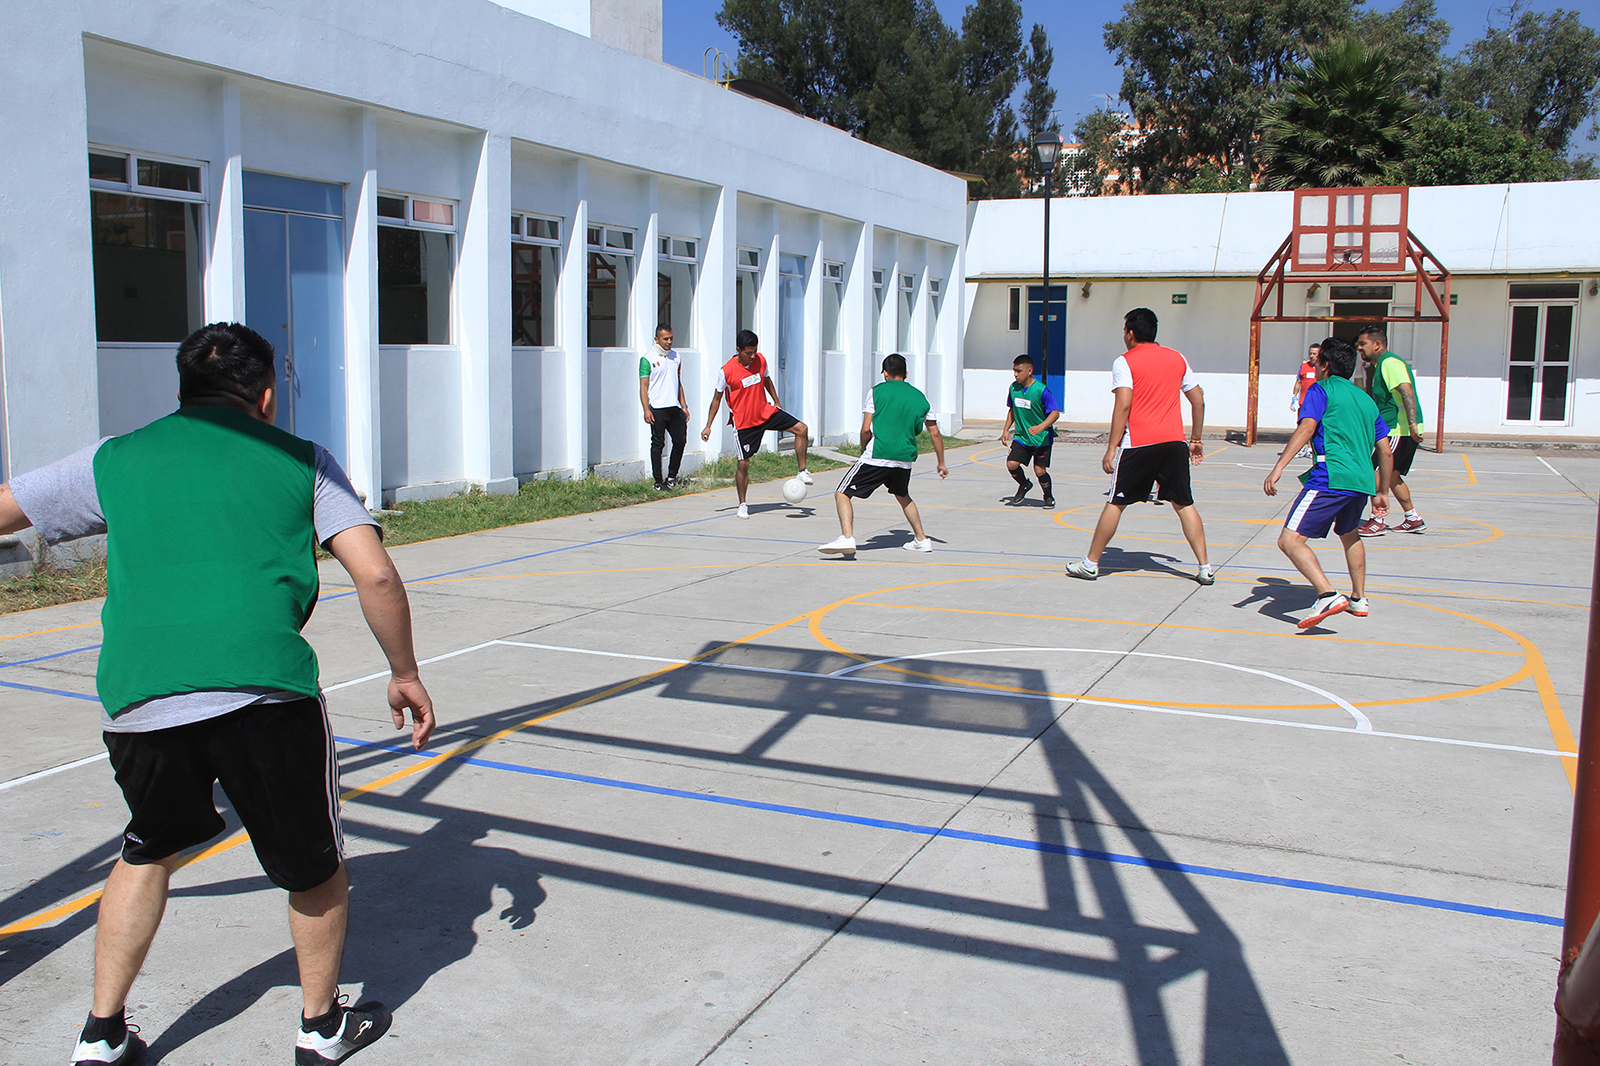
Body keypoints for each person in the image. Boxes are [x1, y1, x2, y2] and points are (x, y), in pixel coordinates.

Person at [0, 323, 436, 1066]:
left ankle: (102, 1035)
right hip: (263, 691)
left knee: (148, 851)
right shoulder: (301, 460)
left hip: (142, 693)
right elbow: (378, 576)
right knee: (314, 865)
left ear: (182, 390)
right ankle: (321, 1027)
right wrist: (404, 670)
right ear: (266, 396)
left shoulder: (116, 458)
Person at [1066, 308, 1214, 585]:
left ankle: (1090, 564)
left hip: (1140, 444)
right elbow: (1198, 401)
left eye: (1124, 330)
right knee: (1184, 504)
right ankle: (1205, 567)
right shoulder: (1177, 358)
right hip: (1174, 443)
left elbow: (1123, 404)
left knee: (1116, 502)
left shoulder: (1124, 361)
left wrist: (1111, 447)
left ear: (1131, 333)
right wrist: (1195, 439)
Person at [1263, 337, 1395, 629]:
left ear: (1323, 365)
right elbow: (1385, 450)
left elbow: (1307, 427)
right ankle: (1358, 598)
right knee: (1349, 534)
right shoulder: (1365, 399)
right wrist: (1382, 490)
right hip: (1361, 480)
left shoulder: (1320, 390)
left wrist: (1279, 466)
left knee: (1289, 540)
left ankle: (1327, 594)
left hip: (1330, 475)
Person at [819, 354, 947, 555]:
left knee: (842, 493)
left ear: (885, 373)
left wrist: (864, 448)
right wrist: (941, 462)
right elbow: (935, 433)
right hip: (904, 457)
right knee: (902, 495)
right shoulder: (920, 397)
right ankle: (922, 540)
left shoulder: (876, 392)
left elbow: (865, 429)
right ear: (906, 373)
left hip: (878, 453)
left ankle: (846, 537)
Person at [699, 329, 812, 519]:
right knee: (743, 463)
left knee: (802, 429)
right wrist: (708, 425)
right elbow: (717, 399)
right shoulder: (726, 371)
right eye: (748, 353)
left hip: (765, 412)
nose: (752, 356)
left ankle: (802, 471)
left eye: (754, 351)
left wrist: (776, 400)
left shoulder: (760, 360)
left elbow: (766, 380)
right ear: (738, 350)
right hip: (744, 423)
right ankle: (742, 504)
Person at [1354, 325, 1425, 536]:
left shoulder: (1389, 363)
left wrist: (1412, 424)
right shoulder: (1377, 367)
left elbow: (1406, 391)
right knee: (1393, 476)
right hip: (1398, 429)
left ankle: (1377, 519)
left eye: (1363, 344)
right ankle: (1413, 518)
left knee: (1375, 474)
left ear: (1377, 344)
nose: (1359, 348)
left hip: (1397, 429)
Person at [998, 354, 1061, 508]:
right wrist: (1006, 429)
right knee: (1012, 464)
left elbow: (1055, 413)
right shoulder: (1013, 388)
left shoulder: (1041, 390)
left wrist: (1041, 426)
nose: (1015, 374)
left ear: (1030, 371)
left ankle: (1048, 496)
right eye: (1014, 370)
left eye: (1019, 371)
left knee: (1040, 471)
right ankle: (1024, 484)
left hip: (1041, 438)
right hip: (1022, 437)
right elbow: (1012, 410)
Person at [640, 324, 689, 490]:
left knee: (680, 441)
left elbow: (678, 383)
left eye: (671, 338)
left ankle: (672, 476)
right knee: (658, 444)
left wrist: (684, 405)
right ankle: (658, 481)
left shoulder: (676, 357)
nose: (669, 342)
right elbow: (643, 387)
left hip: (674, 407)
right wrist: (646, 409)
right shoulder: (647, 359)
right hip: (657, 408)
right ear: (657, 339)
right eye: (665, 339)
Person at [1292, 343, 1320, 459]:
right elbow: (1298, 382)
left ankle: (1311, 449)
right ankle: (1301, 448)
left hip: (1317, 402)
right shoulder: (1303, 367)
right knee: (1301, 425)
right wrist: (1294, 397)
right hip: (1304, 402)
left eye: (1315, 353)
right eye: (1310, 353)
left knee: (1314, 426)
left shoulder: (1322, 367)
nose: (1312, 356)